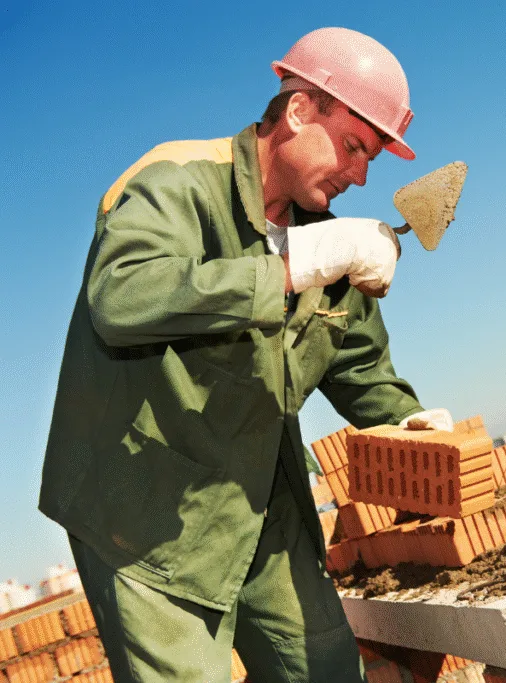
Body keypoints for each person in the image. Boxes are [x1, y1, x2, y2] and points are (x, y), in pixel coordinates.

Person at [38, 27, 452, 682]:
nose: (361, 175)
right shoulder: (176, 181)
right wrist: (290, 267)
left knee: (324, 668)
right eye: (353, 146)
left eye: (371, 159)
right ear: (299, 110)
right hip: (142, 507)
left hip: (259, 495)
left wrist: (408, 422)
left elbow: (362, 370)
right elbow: (120, 297)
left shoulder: (325, 239)